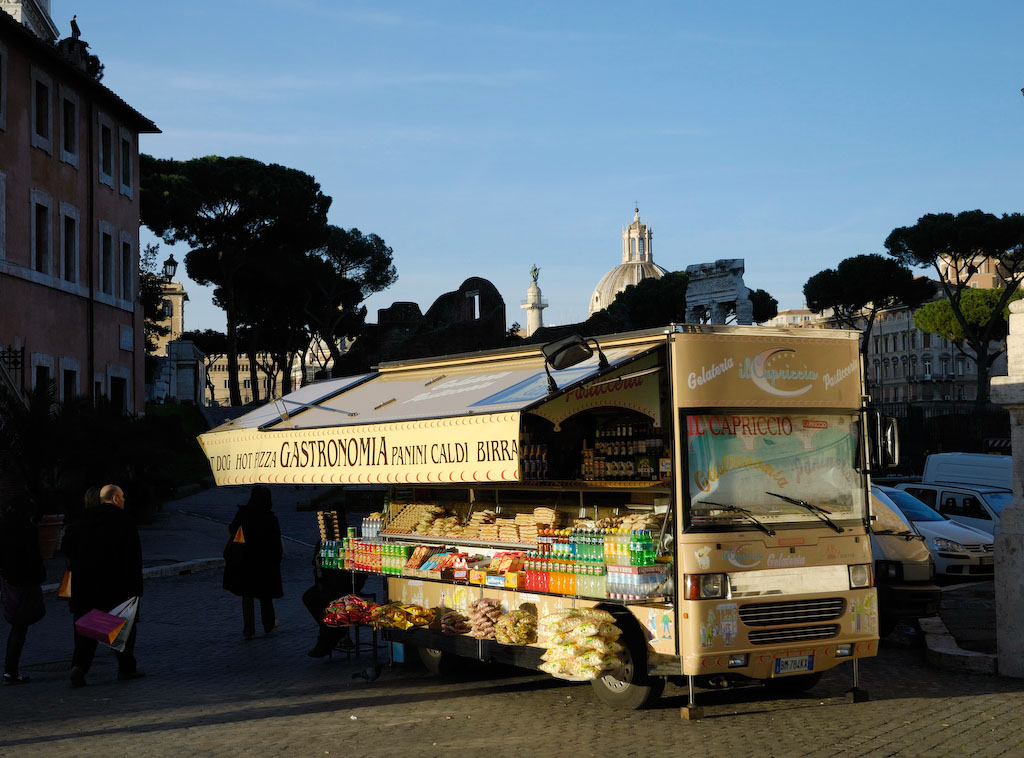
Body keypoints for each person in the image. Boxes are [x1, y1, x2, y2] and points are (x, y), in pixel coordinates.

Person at [61, 484, 144, 688]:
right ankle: (126, 668)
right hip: (118, 584)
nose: (125, 500)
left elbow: (67, 548)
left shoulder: (82, 521)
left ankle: (79, 666)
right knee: (123, 627)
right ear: (115, 499)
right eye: (122, 497)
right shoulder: (124, 521)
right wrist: (136, 588)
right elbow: (134, 556)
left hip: (86, 585)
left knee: (89, 628)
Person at [223, 485, 283, 640]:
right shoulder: (270, 518)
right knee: (265, 594)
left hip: (245, 560)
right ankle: (268, 624)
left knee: (247, 595)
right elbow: (276, 543)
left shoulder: (243, 514)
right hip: (264, 562)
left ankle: (248, 629)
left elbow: (232, 529)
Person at [302, 516, 366, 657]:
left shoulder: (352, 537)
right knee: (311, 598)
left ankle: (328, 638)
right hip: (328, 584)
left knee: (328, 601)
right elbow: (317, 563)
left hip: (348, 583)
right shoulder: (324, 540)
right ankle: (333, 631)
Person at [0, 502, 47, 685]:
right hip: (25, 581)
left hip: (10, 580)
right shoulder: (28, 530)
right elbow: (34, 556)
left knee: (18, 624)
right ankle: (10, 671)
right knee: (20, 626)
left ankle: (11, 671)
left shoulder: (5, 528)